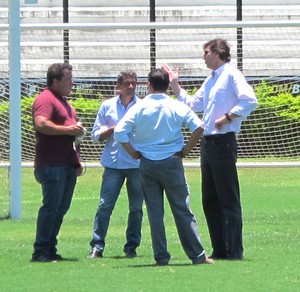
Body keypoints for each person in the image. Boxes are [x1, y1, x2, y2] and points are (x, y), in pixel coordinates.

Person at [162, 38, 258, 260]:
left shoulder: (232, 74)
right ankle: (220, 249)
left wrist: (227, 118)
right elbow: (193, 104)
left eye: (206, 52)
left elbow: (250, 100)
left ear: (218, 53)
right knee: (210, 199)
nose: (203, 56)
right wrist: (175, 84)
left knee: (228, 197)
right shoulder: (211, 79)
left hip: (224, 141)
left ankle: (234, 250)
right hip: (208, 143)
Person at [114, 68, 213, 266]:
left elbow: (119, 132)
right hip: (171, 161)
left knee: (154, 212)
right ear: (168, 85)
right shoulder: (175, 106)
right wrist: (186, 150)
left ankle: (161, 256)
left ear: (148, 85)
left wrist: (133, 152)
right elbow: (200, 127)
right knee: (182, 209)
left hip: (147, 163)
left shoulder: (139, 107)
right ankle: (197, 255)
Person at [31, 63, 85, 262]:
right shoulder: (45, 99)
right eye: (69, 78)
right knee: (51, 207)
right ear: (56, 81)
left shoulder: (65, 103)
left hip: (66, 164)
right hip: (52, 164)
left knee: (60, 208)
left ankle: (50, 248)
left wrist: (77, 159)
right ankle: (40, 251)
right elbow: (41, 124)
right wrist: (68, 130)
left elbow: (71, 133)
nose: (72, 82)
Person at [87, 70, 144, 259]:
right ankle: (97, 246)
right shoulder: (107, 106)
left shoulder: (143, 107)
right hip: (113, 164)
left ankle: (131, 247)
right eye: (127, 83)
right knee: (104, 206)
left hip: (135, 164)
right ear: (118, 86)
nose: (131, 86)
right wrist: (113, 129)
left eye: (133, 83)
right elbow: (95, 136)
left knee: (136, 208)